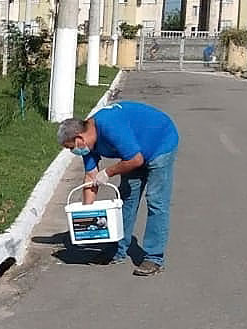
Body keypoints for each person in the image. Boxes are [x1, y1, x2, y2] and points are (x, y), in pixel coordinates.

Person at [57, 101, 179, 275]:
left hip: (159, 143)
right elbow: (91, 178)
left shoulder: (108, 125)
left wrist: (108, 172)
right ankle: (117, 250)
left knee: (156, 200)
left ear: (79, 139)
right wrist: (87, 216)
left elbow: (136, 160)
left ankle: (154, 258)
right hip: (133, 150)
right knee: (127, 198)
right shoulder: (88, 143)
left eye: (71, 148)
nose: (72, 152)